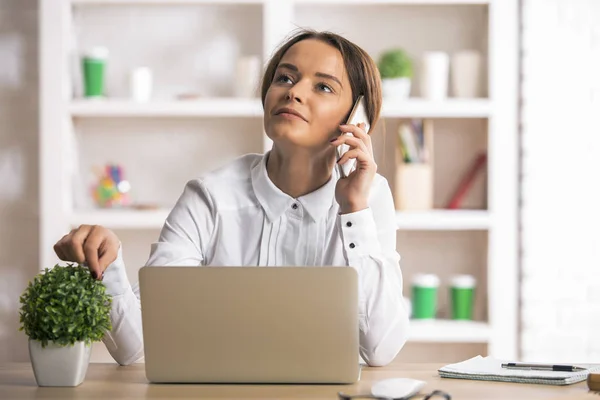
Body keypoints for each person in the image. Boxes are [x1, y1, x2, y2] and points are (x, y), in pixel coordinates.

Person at [53, 29, 410, 367]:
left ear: (356, 120)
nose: (294, 91)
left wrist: (353, 210)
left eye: (323, 86)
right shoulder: (210, 196)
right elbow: (138, 346)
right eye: (284, 78)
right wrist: (107, 266)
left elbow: (380, 348)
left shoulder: (368, 197)